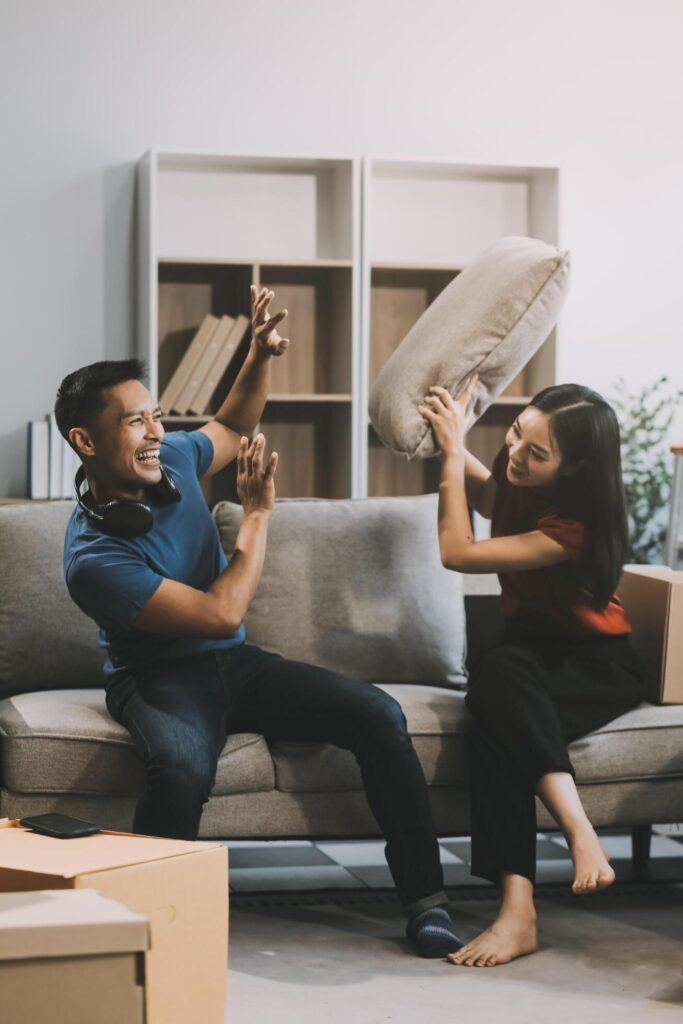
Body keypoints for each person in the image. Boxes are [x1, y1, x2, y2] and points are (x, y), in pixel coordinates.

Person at [56, 286, 462, 959]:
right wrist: (258, 514)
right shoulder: (93, 559)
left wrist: (258, 354)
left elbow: (233, 424)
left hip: (236, 664)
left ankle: (427, 902)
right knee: (181, 772)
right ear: (84, 440)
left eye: (155, 416)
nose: (156, 432)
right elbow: (220, 611)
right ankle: (144, 930)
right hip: (157, 676)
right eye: (134, 422)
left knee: (377, 714)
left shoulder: (175, 461)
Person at [417, 376, 646, 968]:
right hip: (526, 658)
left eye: (535, 453)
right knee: (497, 689)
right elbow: (495, 500)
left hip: (594, 665)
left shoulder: (574, 530)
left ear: (572, 471)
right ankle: (520, 911)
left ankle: (567, 845)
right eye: (517, 434)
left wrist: (448, 452)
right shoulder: (521, 464)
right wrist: (456, 432)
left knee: (498, 690)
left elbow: (457, 552)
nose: (515, 453)